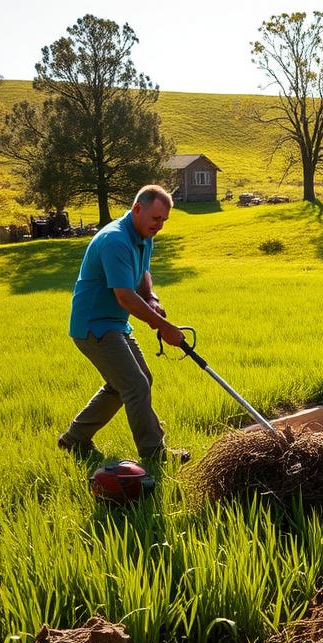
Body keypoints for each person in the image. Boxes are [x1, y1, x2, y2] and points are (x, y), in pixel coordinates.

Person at [57, 185, 190, 463]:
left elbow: (142, 273)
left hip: (114, 325)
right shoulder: (115, 240)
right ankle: (155, 454)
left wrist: (151, 297)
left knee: (130, 383)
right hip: (94, 326)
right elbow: (125, 297)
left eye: (164, 220)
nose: (160, 226)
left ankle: (74, 439)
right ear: (137, 209)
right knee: (135, 386)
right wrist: (164, 327)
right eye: (156, 219)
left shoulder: (143, 235)